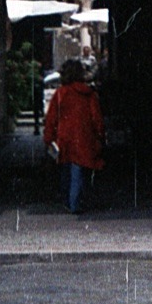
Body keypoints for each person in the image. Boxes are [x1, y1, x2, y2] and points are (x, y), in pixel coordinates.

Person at [43, 57, 104, 215]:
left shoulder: (61, 94)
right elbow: (96, 118)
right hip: (85, 137)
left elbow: (52, 118)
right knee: (80, 171)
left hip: (65, 138)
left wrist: (49, 138)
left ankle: (70, 202)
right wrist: (100, 135)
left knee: (66, 171)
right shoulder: (89, 94)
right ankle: (76, 202)